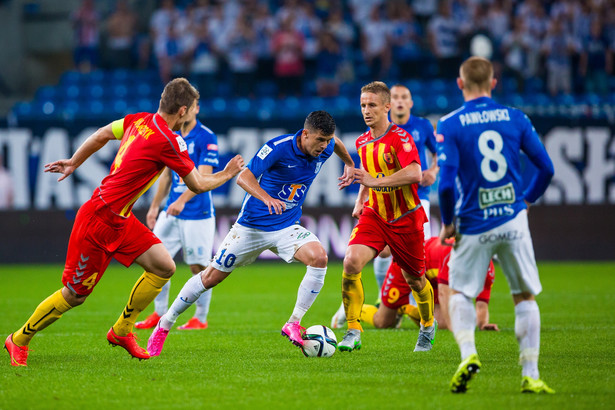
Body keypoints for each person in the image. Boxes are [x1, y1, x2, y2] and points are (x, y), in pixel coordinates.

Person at [4, 78, 245, 367]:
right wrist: (229, 173)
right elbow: (197, 183)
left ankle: (121, 330)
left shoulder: (137, 119)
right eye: (191, 107)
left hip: (121, 220)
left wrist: (74, 161)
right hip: (98, 220)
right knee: (74, 295)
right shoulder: (168, 141)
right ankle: (18, 339)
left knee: (164, 267)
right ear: (182, 111)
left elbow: (103, 134)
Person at [146, 110, 355, 356]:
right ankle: (165, 323)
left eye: (328, 140)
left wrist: (350, 163)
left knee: (319, 257)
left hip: (286, 226)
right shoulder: (277, 148)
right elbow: (243, 178)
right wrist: (267, 199)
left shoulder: (327, 147)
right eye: (320, 140)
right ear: (306, 134)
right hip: (251, 227)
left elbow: (337, 143)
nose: (325, 146)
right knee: (210, 278)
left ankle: (293, 323)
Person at [437, 57, 554, 393]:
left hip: (473, 221)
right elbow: (545, 169)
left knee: (460, 292)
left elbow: (445, 185)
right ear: (494, 83)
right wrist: (526, 201)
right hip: (513, 219)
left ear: (460, 85)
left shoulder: (449, 123)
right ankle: (530, 374)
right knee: (524, 296)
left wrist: (447, 223)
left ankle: (469, 354)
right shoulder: (515, 118)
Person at [337, 81, 435, 353]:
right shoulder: (362, 141)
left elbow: (415, 173)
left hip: (406, 217)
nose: (366, 111)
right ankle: (353, 329)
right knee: (351, 262)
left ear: (387, 107)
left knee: (415, 279)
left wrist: (376, 182)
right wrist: (360, 200)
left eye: (372, 105)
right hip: (375, 214)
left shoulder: (401, 138)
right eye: (363, 105)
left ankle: (427, 325)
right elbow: (367, 176)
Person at [135, 102, 219, 331]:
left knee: (198, 266)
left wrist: (181, 202)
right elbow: (166, 176)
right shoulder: (172, 136)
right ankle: (158, 313)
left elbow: (203, 179)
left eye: (191, 107)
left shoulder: (206, 138)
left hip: (197, 214)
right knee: (154, 261)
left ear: (197, 109)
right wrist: (154, 207)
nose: (187, 111)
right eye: (184, 107)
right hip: (171, 211)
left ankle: (200, 319)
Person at [371, 84, 439, 292]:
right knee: (383, 251)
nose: (400, 101)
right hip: (389, 198)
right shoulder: (378, 128)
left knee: (419, 252)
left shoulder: (423, 126)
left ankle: (413, 301)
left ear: (410, 103)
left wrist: (434, 171)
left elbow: (440, 153)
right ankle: (385, 299)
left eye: (404, 97)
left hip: (418, 196)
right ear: (389, 104)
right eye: (396, 97)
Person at [348, 237, 498, 331]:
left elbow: (481, 305)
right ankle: (351, 309)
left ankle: (406, 309)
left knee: (443, 325)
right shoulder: (454, 259)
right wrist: (456, 328)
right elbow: (444, 293)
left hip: (435, 279)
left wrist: (483, 324)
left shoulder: (488, 270)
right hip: (410, 264)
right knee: (383, 322)